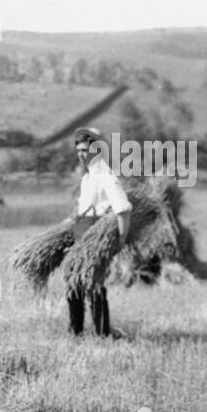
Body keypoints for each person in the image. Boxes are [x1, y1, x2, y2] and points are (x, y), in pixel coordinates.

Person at [68, 126, 132, 338]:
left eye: (85, 150)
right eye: (79, 151)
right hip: (80, 235)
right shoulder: (87, 178)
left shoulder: (106, 176)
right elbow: (82, 209)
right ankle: (75, 330)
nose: (81, 155)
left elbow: (123, 209)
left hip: (97, 236)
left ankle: (102, 333)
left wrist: (121, 239)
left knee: (94, 283)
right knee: (73, 281)